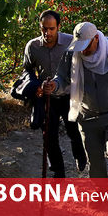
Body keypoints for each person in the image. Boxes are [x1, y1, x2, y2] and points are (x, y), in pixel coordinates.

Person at [42, 21, 108, 178]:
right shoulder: (72, 53)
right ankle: (101, 199)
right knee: (95, 165)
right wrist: (54, 86)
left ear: (96, 38)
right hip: (87, 116)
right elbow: (62, 78)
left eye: (86, 46)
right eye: (79, 46)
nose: (83, 51)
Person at [23, 10, 87, 177]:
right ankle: (58, 173)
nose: (47, 33)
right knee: (49, 138)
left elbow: (80, 67)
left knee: (73, 131)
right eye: (44, 28)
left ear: (58, 27)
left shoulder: (70, 42)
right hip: (46, 97)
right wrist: (36, 85)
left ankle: (80, 155)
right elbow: (27, 71)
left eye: (51, 29)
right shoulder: (33, 46)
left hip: (68, 95)